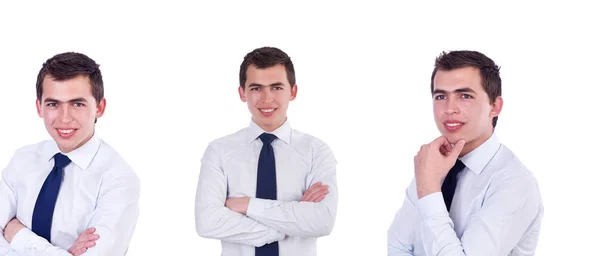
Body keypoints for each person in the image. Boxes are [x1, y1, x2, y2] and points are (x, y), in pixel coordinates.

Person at [387, 50, 543, 255]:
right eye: (441, 96)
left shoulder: (514, 183)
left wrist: (429, 190)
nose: (449, 108)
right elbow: (397, 245)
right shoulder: (433, 165)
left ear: (495, 106)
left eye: (465, 96)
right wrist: (429, 184)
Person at [195, 46, 338, 256]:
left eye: (276, 87)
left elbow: (322, 221)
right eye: (256, 88)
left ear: (293, 91)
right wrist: (290, 223)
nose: (266, 98)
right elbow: (207, 222)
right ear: (242, 93)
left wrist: (246, 205)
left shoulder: (316, 151)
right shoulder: (219, 151)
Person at [0, 52, 140, 255]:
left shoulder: (118, 180)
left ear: (99, 108)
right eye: (53, 104)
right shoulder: (22, 160)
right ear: (39, 107)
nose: (65, 118)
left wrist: (18, 235)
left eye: (77, 104)